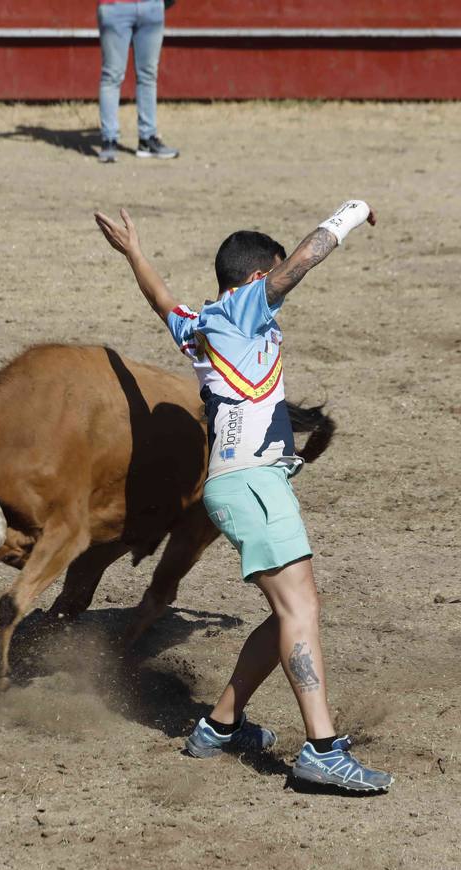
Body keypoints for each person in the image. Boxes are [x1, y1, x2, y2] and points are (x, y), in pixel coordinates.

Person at [93, 200, 394, 793]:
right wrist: (351, 213)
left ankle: (220, 725)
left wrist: (134, 252)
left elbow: (161, 302)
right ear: (257, 277)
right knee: (300, 610)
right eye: (271, 279)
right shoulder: (246, 304)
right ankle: (321, 749)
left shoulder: (201, 323)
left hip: (237, 483)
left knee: (291, 611)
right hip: (255, 481)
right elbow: (304, 259)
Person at [97, 0, 179, 163]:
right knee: (113, 76)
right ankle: (109, 140)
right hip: (116, 6)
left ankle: (147, 138)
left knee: (147, 75)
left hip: (149, 7)